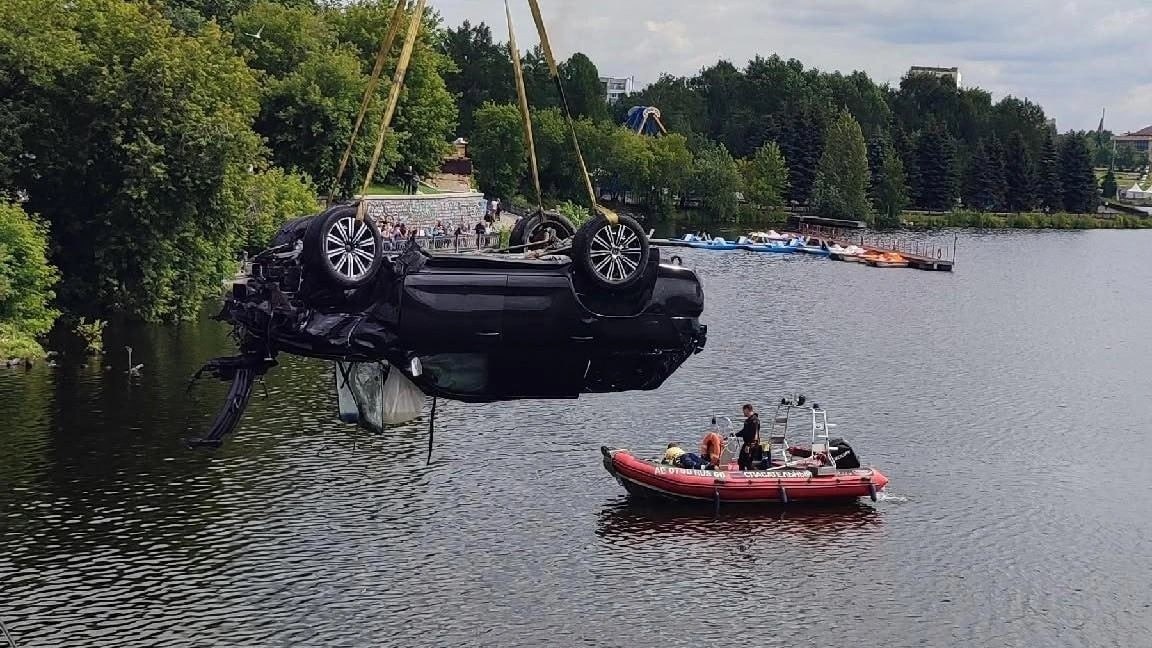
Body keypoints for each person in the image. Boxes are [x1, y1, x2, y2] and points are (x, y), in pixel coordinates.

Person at [736, 403, 762, 471]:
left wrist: (749, 445)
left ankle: (754, 473)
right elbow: (744, 431)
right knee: (741, 461)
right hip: (747, 443)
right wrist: (735, 435)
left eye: (744, 411)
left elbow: (754, 434)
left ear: (747, 410)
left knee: (748, 462)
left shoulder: (754, 420)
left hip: (752, 444)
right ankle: (741, 474)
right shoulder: (748, 421)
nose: (743, 412)